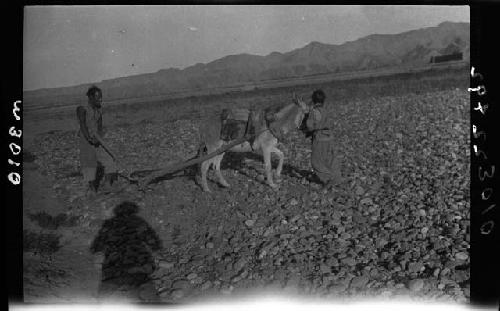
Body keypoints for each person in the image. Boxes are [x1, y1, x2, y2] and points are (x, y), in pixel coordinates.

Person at [77, 85, 118, 194]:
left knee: (110, 159)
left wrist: (99, 138)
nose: (100, 99)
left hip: (97, 138)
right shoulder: (82, 109)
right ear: (90, 97)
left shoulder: (99, 110)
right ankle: (92, 189)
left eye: (101, 97)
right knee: (89, 163)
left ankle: (107, 184)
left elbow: (100, 126)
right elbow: (82, 125)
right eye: (98, 97)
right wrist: (89, 139)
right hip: (85, 140)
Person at [305, 89, 343, 190]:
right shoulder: (325, 110)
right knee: (330, 158)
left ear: (313, 100)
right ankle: (337, 178)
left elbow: (309, 126)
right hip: (329, 137)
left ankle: (328, 179)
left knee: (316, 161)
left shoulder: (314, 111)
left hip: (319, 138)